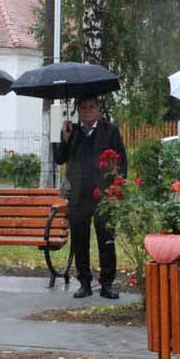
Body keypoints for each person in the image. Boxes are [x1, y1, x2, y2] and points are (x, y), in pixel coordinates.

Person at [53, 95, 127, 299]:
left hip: (104, 195)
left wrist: (117, 187)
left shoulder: (110, 130)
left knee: (106, 240)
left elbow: (121, 160)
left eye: (91, 107)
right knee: (80, 240)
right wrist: (64, 140)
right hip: (78, 195)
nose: (87, 111)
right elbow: (59, 158)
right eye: (83, 107)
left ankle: (107, 284)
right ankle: (84, 282)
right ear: (78, 109)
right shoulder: (72, 132)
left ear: (98, 109)